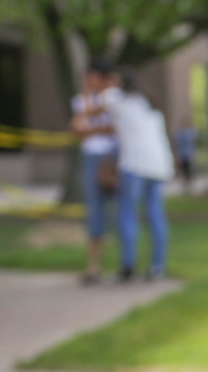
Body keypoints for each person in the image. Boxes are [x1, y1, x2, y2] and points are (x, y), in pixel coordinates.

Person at [106, 73, 175, 281]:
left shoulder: (120, 102)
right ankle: (157, 266)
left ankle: (128, 266)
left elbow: (103, 98)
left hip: (134, 165)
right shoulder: (152, 107)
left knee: (127, 214)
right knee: (155, 215)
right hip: (158, 166)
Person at [70, 60, 119, 285]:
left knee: (120, 209)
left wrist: (90, 127)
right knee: (94, 210)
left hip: (114, 156)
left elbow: (114, 128)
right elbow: (77, 130)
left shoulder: (114, 98)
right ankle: (94, 264)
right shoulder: (81, 100)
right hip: (92, 157)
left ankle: (124, 262)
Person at [173, 121, 198, 193]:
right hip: (183, 155)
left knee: (188, 170)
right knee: (184, 169)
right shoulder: (179, 134)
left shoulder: (190, 133)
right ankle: (185, 183)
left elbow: (193, 144)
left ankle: (189, 183)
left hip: (188, 155)